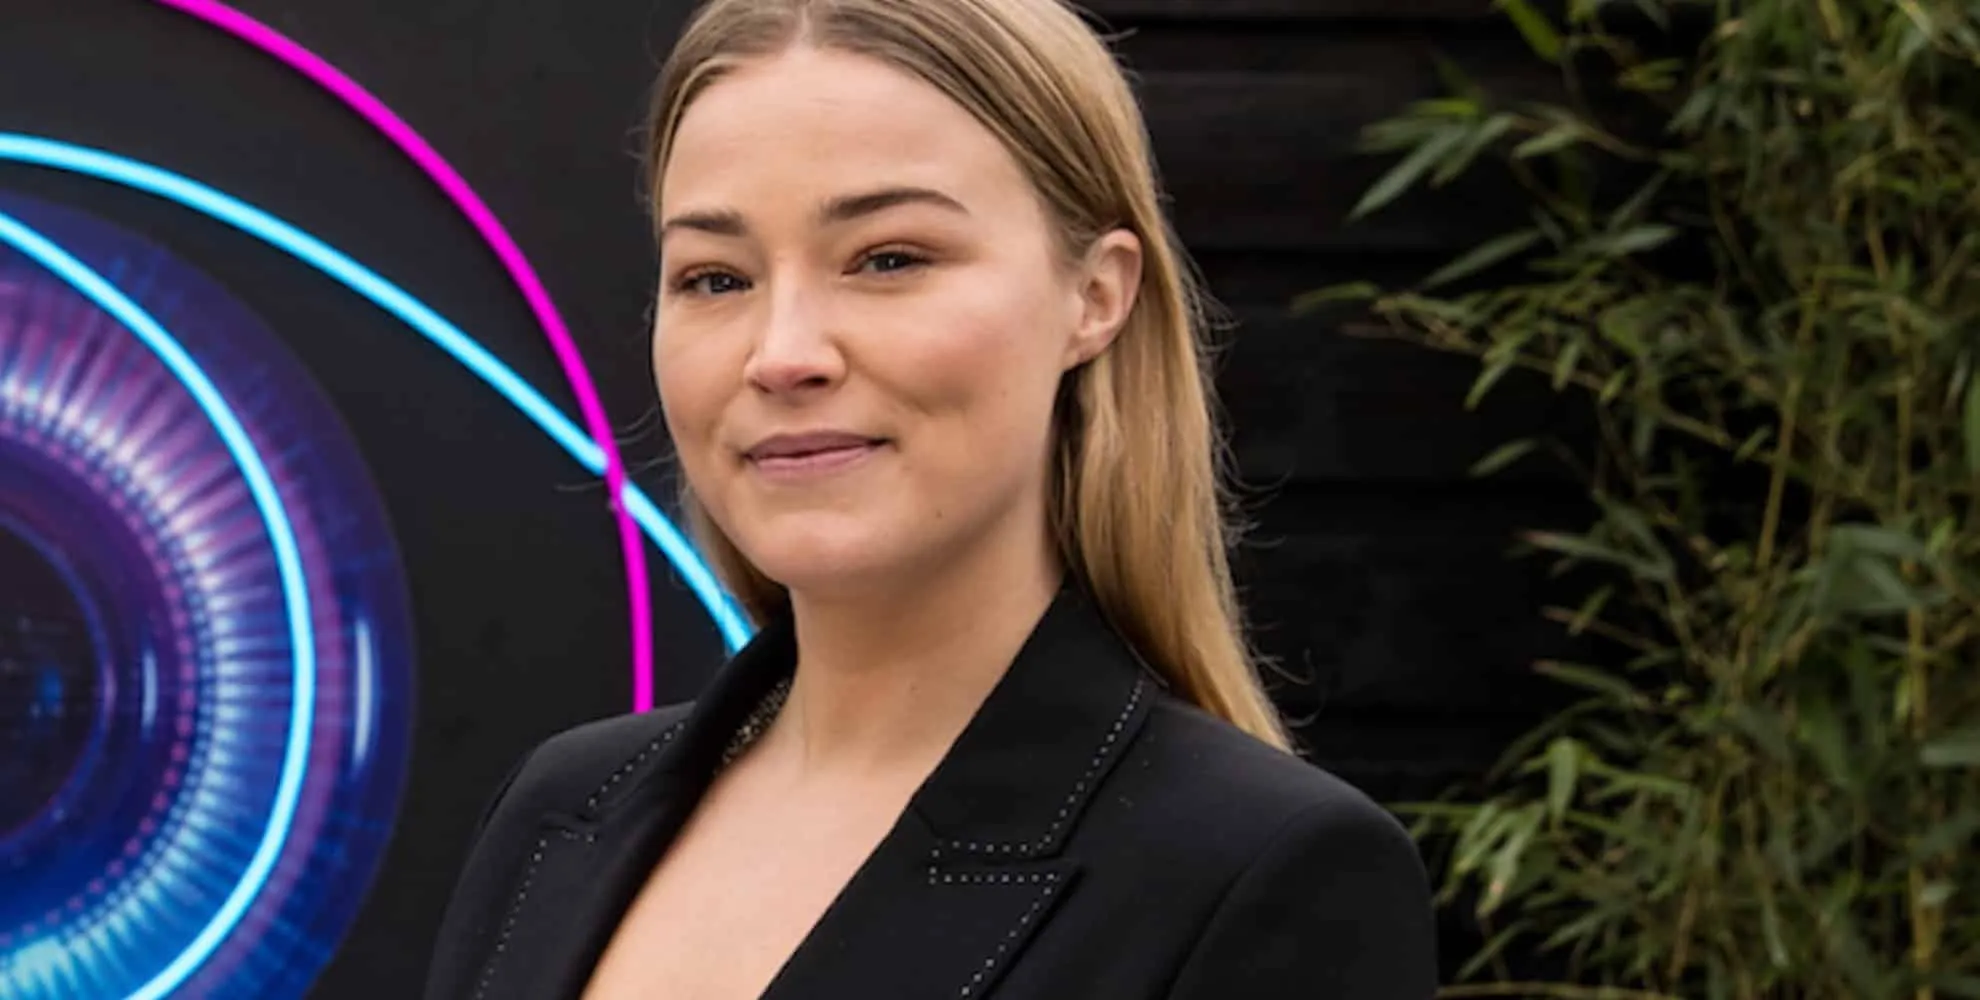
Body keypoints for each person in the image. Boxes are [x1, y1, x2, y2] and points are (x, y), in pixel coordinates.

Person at [423, 0, 1437, 996]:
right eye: (716, 279)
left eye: (889, 259)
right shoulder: (557, 810)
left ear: (1095, 297)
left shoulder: (1263, 872)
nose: (782, 354)